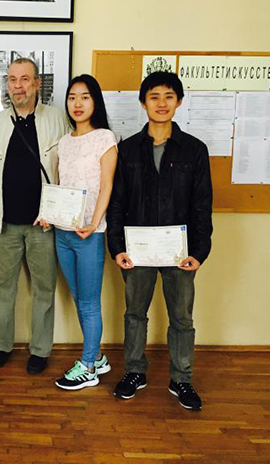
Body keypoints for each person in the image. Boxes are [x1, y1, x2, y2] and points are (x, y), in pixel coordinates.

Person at [107, 71, 213, 411]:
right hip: (137, 251)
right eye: (154, 96)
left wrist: (199, 252)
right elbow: (117, 203)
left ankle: (181, 378)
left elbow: (202, 205)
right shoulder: (127, 150)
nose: (162, 103)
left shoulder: (194, 150)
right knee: (134, 313)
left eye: (169, 96)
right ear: (143, 103)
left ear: (179, 101)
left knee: (181, 318)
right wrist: (117, 247)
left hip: (180, 252)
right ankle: (134, 372)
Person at [0, 57, 70, 374]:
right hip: (3, 223)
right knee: (2, 288)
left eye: (24, 79)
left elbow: (67, 169)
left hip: (43, 224)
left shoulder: (58, 119)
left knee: (44, 289)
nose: (18, 86)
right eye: (12, 79)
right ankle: (1, 345)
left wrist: (58, 212)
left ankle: (40, 349)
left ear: (36, 83)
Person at [36, 75, 117, 391]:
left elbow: (107, 186)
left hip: (89, 235)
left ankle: (88, 366)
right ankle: (96, 356)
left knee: (89, 303)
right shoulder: (64, 142)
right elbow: (60, 186)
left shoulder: (104, 138)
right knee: (79, 297)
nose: (77, 104)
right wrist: (48, 214)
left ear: (95, 101)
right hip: (63, 233)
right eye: (72, 97)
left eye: (84, 97)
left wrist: (94, 223)